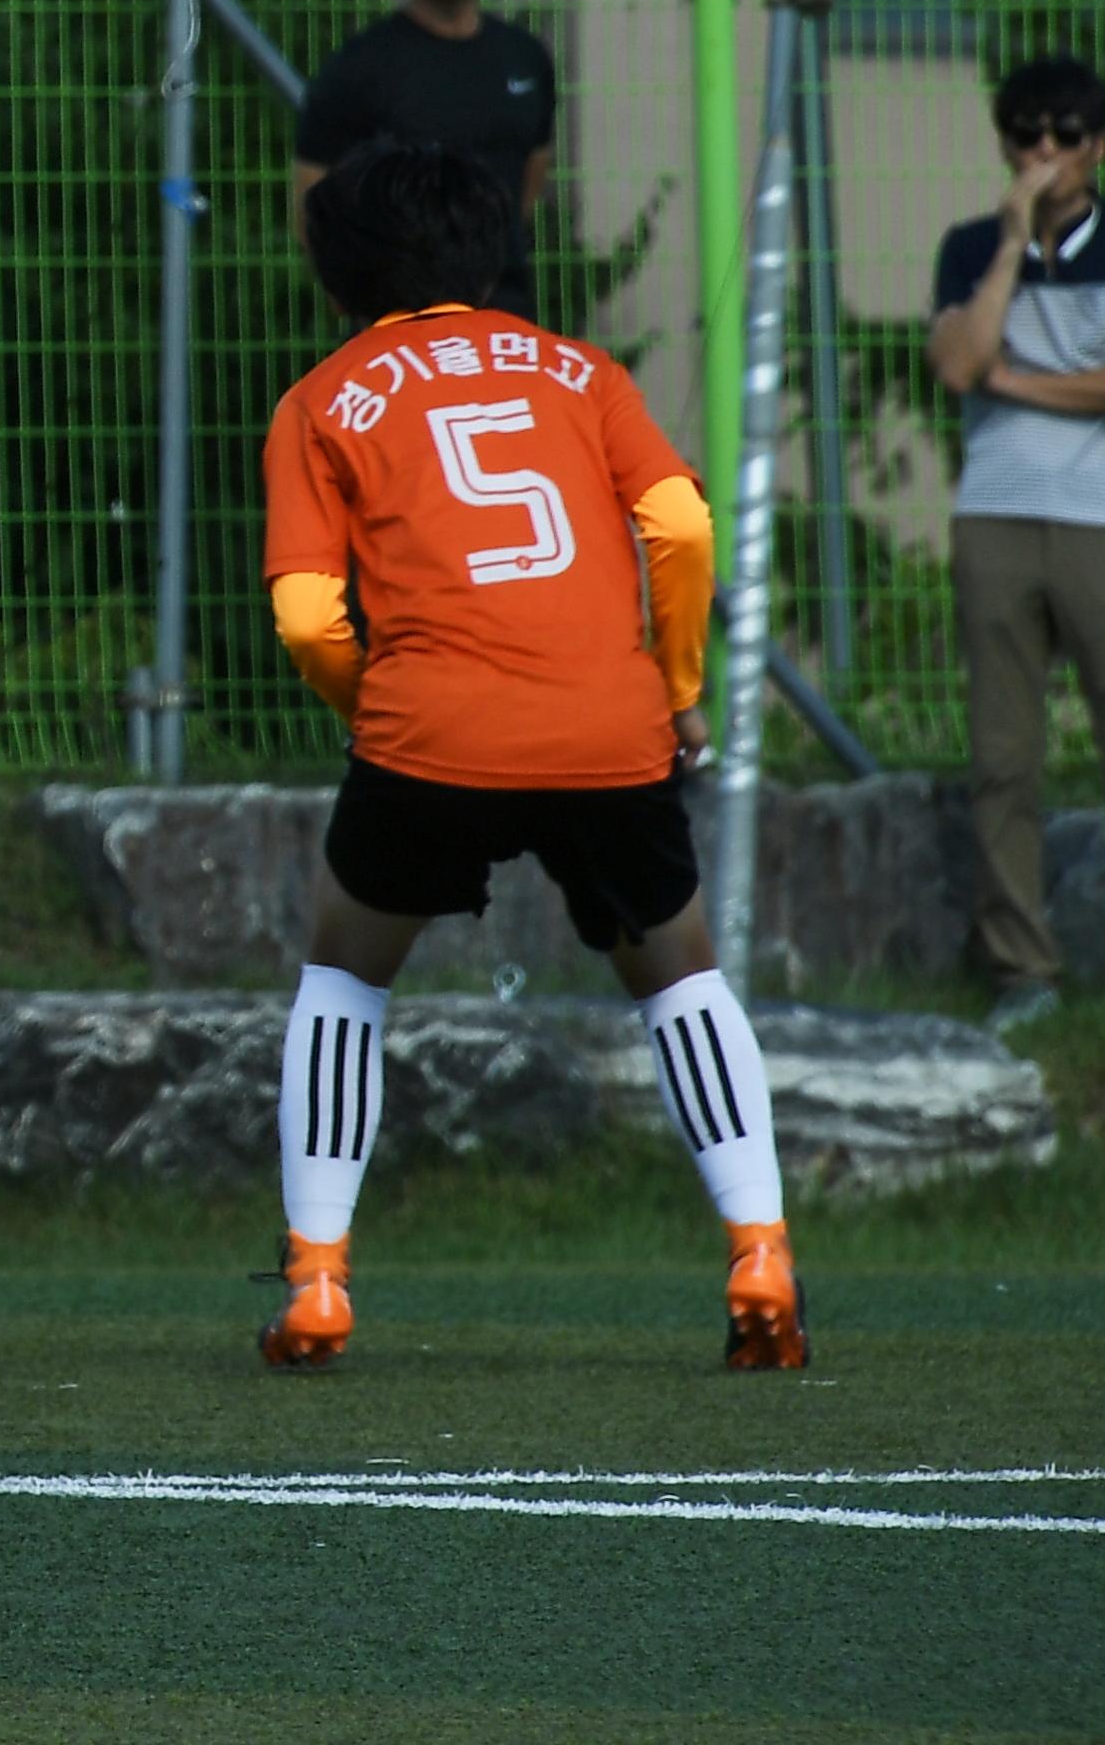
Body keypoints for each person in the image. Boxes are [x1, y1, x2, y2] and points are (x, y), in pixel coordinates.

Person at [258, 139, 803, 1373]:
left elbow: (303, 609)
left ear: (344, 273)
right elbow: (675, 518)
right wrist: (673, 688)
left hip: (430, 730)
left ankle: (319, 1278)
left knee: (346, 973)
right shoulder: (580, 368)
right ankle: (761, 1249)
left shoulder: (323, 396)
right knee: (678, 972)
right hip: (609, 726)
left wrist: (368, 700)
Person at [925, 52, 1105, 1034]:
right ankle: (1021, 969)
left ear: (1099, 145)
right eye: (1025, 134)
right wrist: (1012, 242)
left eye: (1064, 134)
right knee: (1005, 752)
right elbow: (961, 363)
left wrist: (1020, 381)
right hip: (997, 516)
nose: (1043, 153)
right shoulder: (970, 246)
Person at [291, 0, 557, 315]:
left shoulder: (526, 59)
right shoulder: (356, 68)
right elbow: (313, 207)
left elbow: (526, 185)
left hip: (507, 323)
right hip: (400, 332)